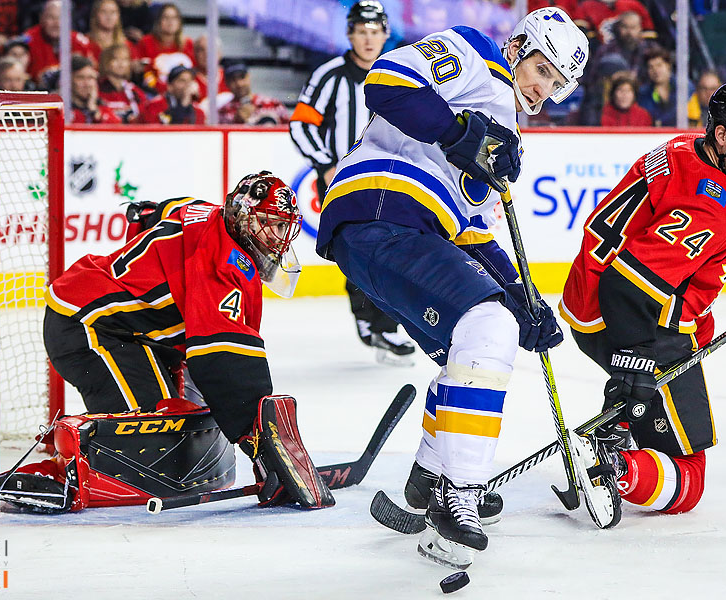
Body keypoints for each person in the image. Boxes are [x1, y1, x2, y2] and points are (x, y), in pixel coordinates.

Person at [316, 8, 587, 566]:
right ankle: (457, 497)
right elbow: (387, 82)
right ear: (516, 47)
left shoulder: (506, 140)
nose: (543, 88)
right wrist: (457, 130)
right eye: (541, 68)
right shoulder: (474, 52)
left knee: (478, 342)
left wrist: (521, 293)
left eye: (557, 84)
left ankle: (431, 478)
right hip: (380, 207)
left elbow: (469, 228)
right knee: (488, 327)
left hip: (405, 231)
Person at [559, 82, 726, 525]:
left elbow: (685, 227)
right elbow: (630, 282)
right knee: (688, 483)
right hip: (639, 322)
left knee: (654, 416)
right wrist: (636, 355)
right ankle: (613, 464)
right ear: (724, 135)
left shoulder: (684, 148)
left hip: (588, 298)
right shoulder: (716, 205)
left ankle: (623, 430)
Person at [27, 172, 334, 512]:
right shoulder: (222, 265)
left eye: (283, 226)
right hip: (86, 325)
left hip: (134, 332)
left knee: (180, 421)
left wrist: (147, 216)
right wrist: (260, 442)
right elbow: (223, 358)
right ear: (245, 218)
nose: (278, 237)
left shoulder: (214, 213)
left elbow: (171, 208)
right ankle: (61, 468)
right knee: (154, 440)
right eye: (269, 224)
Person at [290, 1, 416, 365]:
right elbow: (301, 123)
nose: (368, 38)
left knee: (396, 246)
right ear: (350, 34)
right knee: (359, 248)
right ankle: (370, 320)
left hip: (391, 177)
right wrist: (327, 163)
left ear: (385, 34)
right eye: (362, 31)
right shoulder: (330, 75)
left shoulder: (401, 71)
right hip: (342, 179)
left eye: (375, 31)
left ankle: (384, 324)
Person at [22, 0, 95, 87]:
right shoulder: (27, 42)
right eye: (51, 17)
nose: (57, 24)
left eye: (61, 18)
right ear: (41, 18)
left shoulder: (80, 42)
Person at [137, 3, 194, 94]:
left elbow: (193, 73)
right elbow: (146, 73)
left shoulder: (188, 44)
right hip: (154, 91)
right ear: (159, 21)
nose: (170, 22)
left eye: (174, 18)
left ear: (179, 22)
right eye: (166, 17)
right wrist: (164, 89)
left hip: (184, 92)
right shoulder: (146, 42)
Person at [217, 61, 290, 125]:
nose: (239, 84)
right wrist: (236, 121)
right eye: (233, 80)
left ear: (248, 76)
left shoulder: (274, 105)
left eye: (242, 77)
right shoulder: (223, 112)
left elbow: (288, 132)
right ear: (226, 83)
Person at [637, 46, 691, 127]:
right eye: (651, 67)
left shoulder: (684, 87)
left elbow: (681, 113)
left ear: (668, 65)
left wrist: (660, 121)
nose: (655, 70)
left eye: (659, 65)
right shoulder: (643, 93)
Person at [97, 44, 147, 124]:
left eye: (125, 59)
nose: (121, 64)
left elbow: (144, 116)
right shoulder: (97, 89)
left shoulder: (135, 92)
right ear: (106, 62)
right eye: (116, 59)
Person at [69, 54, 121, 124]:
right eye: (80, 78)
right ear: (69, 80)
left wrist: (93, 109)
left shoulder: (101, 106)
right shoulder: (63, 109)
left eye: (90, 78)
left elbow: (116, 127)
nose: (86, 84)